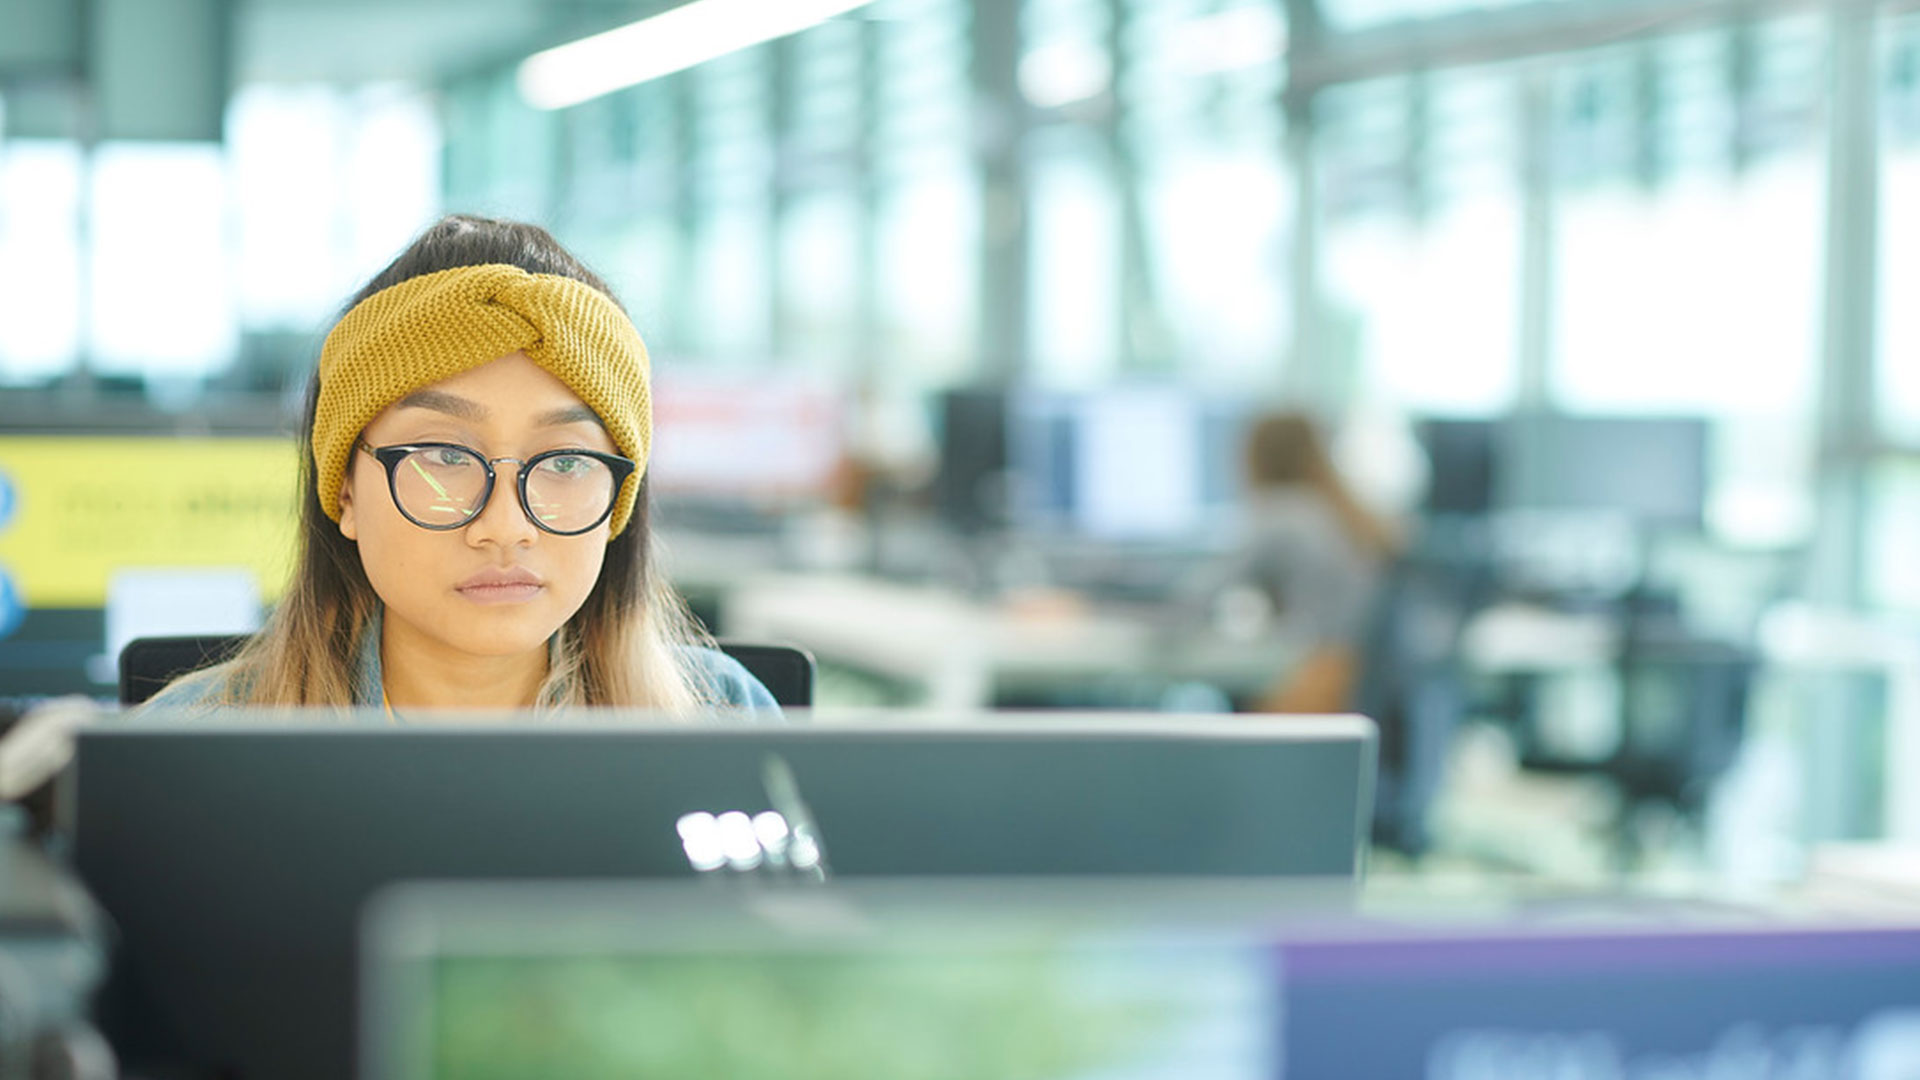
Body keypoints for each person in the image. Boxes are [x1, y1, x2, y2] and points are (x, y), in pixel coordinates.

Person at [146, 215, 775, 714]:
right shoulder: (191, 746)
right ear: (343, 491)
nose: (504, 527)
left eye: (564, 461)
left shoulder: (724, 721)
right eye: (445, 457)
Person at [1204, 411, 1398, 714]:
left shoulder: (1284, 512)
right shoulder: (1343, 513)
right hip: (1353, 683)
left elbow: (1201, 593)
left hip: (1317, 687)